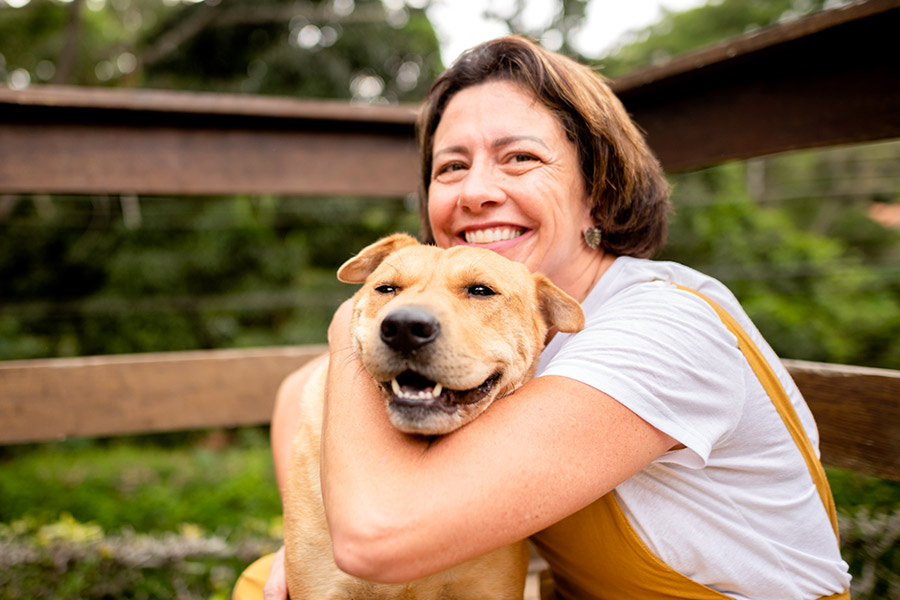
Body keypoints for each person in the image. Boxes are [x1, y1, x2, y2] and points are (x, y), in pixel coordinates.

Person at [234, 35, 851, 600]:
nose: (474, 191)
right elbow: (301, 392)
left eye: (520, 157)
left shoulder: (662, 330)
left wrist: (354, 321)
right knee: (267, 580)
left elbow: (376, 538)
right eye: (450, 167)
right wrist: (311, 536)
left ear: (599, 191)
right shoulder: (497, 330)